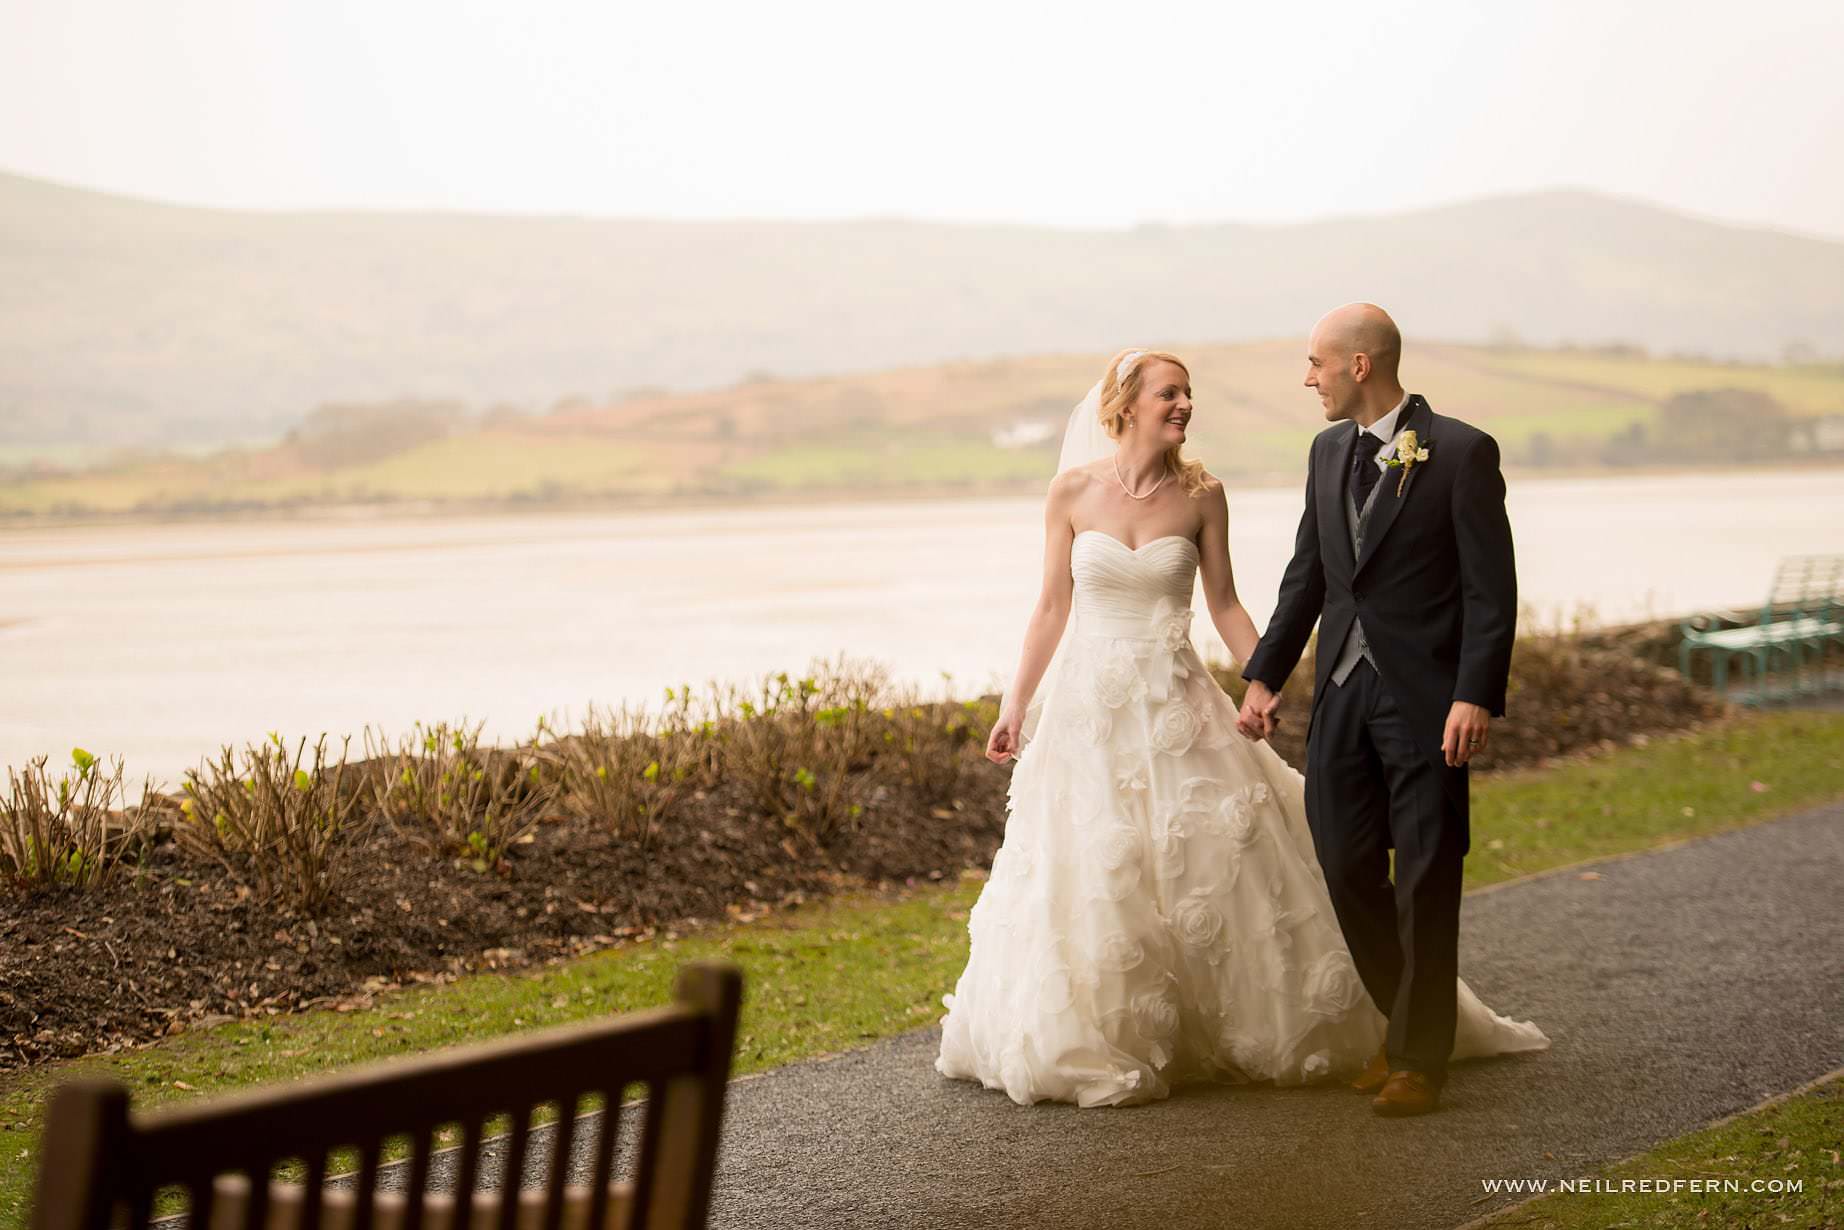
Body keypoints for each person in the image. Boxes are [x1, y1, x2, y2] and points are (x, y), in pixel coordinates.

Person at [933, 343, 1545, 1111]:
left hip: (1179, 703)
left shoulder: (1202, 494)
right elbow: (1052, 606)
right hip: (1088, 711)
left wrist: (1258, 677)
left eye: (1188, 393)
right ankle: (1106, 1032)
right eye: (1170, 394)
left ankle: (1393, 1039)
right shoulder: (1070, 493)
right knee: (1095, 868)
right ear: (1124, 405)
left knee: (1217, 862)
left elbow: (1225, 601)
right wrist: (1014, 703)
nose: (1185, 405)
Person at [1238, 303, 1520, 1115]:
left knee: (1427, 876)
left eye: (1316, 363)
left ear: (1360, 365)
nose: (1307, 377)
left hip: (1429, 702)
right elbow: (1310, 579)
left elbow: (1489, 589)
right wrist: (1265, 678)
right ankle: (1412, 1025)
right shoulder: (1326, 453)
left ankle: (1417, 1060)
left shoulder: (1462, 452)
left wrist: (1474, 692)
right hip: (1340, 696)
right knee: (1343, 859)